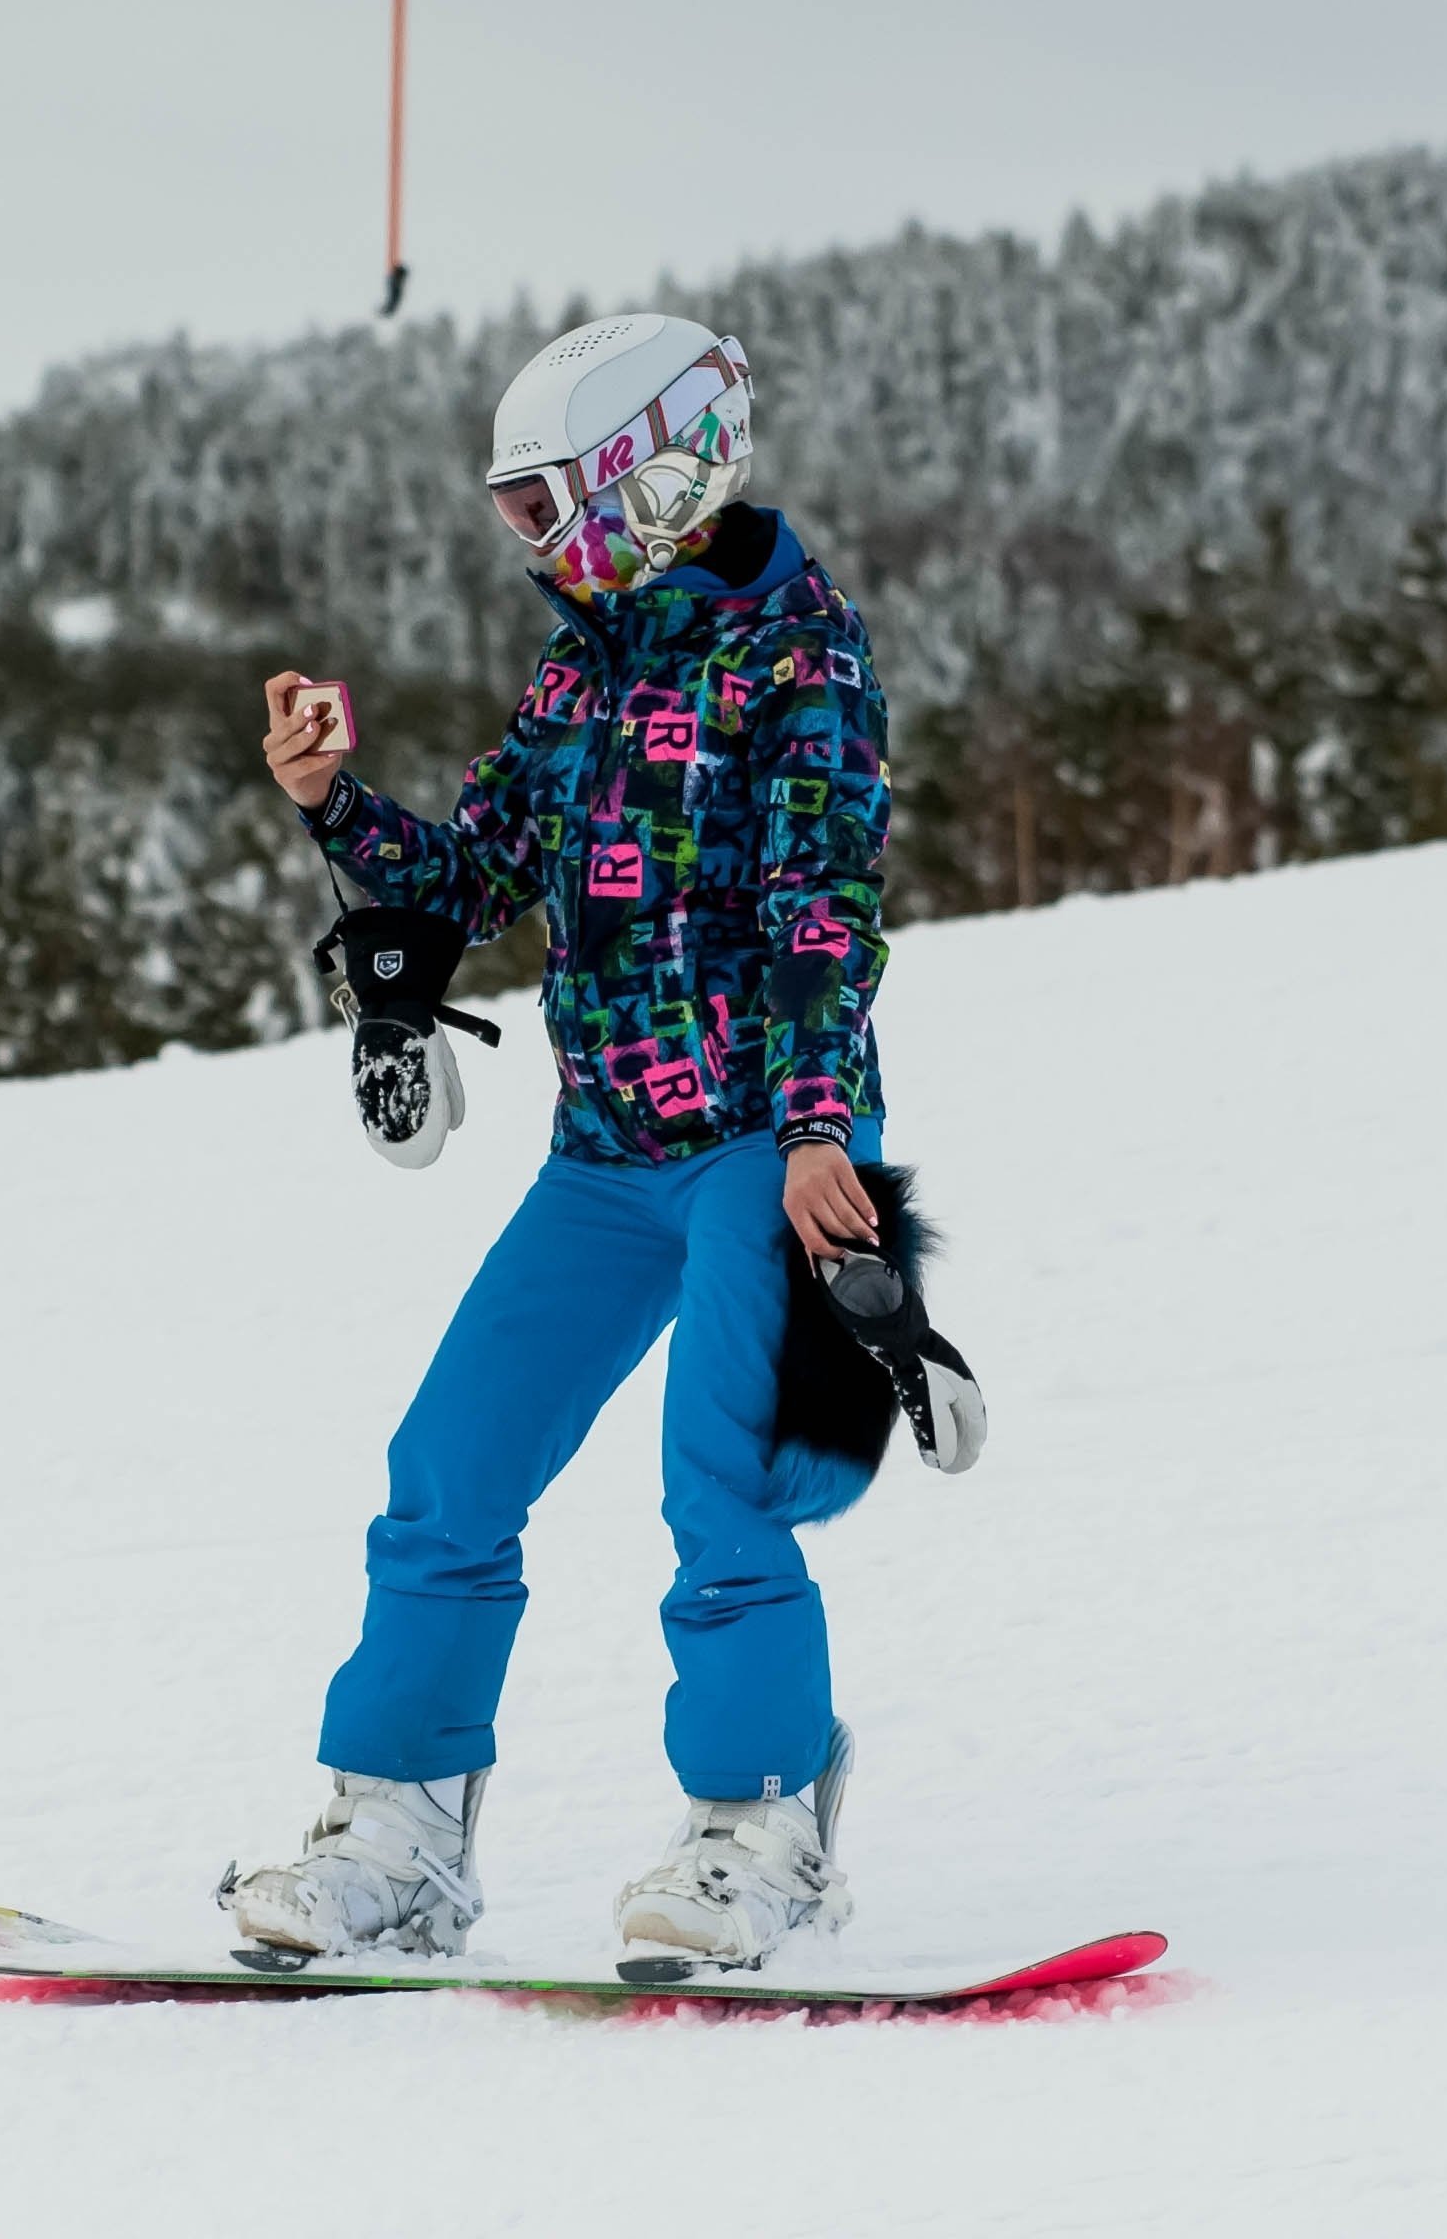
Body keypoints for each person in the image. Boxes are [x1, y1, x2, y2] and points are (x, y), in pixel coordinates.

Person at [226, 311, 898, 1973]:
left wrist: (822, 1128)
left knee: (722, 1481)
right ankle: (397, 1831)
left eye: (543, 505)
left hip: (764, 1133)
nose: (525, 538)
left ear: (651, 476)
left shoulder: (801, 656)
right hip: (603, 1150)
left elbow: (824, 908)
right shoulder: (584, 658)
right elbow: (472, 876)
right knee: (449, 1470)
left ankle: (763, 1829)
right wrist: (330, 801)